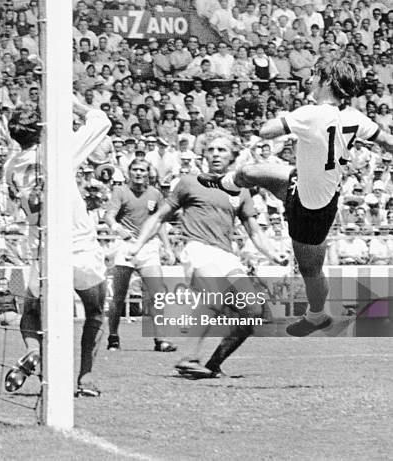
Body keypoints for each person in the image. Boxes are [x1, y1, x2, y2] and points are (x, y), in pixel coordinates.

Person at [197, 56, 393, 337]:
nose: (310, 79)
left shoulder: (310, 113)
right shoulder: (354, 117)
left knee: (311, 270)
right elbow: (385, 141)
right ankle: (227, 183)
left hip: (311, 208)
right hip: (307, 187)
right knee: (249, 173)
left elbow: (265, 131)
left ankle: (316, 315)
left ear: (327, 81)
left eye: (314, 75)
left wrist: (285, 117)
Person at [128, 129, 287, 378]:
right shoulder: (189, 182)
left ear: (233, 155)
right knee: (213, 293)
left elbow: (254, 231)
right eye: (211, 149)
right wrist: (137, 245)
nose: (215, 154)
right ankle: (188, 358)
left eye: (222, 150)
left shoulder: (242, 191)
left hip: (227, 255)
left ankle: (213, 365)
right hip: (197, 248)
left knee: (253, 311)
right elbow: (159, 216)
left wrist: (273, 254)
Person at [3, 99, 111, 397]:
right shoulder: (58, 152)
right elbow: (101, 121)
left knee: (32, 312)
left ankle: (33, 350)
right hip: (78, 246)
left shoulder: (9, 168)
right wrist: (71, 101)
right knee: (95, 311)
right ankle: (85, 377)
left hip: (43, 248)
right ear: (42, 127)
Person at [104, 157, 177, 353]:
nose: (138, 173)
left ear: (148, 173)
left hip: (148, 246)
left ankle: (160, 339)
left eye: (142, 170)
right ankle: (113, 337)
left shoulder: (155, 193)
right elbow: (108, 215)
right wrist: (118, 229)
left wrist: (168, 247)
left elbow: (158, 222)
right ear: (129, 172)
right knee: (119, 296)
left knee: (157, 293)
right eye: (135, 169)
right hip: (126, 246)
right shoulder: (121, 191)